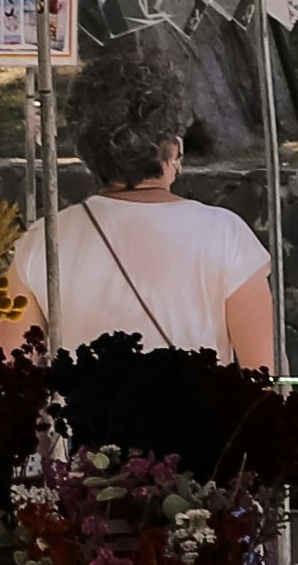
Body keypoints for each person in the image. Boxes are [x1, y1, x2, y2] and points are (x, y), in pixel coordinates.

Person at [15, 38, 275, 372]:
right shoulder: (227, 236)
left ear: (86, 150)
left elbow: (12, 376)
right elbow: (262, 376)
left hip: (81, 408)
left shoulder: (41, 242)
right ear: (173, 148)